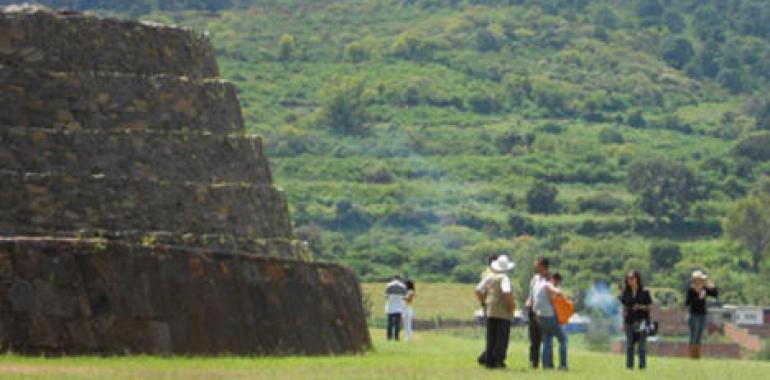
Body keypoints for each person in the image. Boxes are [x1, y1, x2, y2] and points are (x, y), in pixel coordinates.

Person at [475, 255, 516, 369]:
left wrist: (484, 302)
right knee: (502, 338)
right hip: (503, 312)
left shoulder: (489, 277)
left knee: (491, 337)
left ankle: (489, 361)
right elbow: (507, 293)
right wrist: (511, 306)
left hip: (490, 310)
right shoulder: (504, 278)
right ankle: (498, 361)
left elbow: (478, 290)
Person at [533, 268, 567, 370]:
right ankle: (563, 365)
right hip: (550, 316)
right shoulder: (547, 285)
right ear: (552, 279)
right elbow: (558, 292)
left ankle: (546, 365)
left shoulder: (538, 285)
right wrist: (563, 299)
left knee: (547, 340)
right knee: (563, 340)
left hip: (541, 316)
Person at [619, 270, 652, 370]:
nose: (630, 280)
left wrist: (640, 307)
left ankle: (642, 366)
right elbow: (624, 308)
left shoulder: (645, 292)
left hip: (641, 320)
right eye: (628, 278)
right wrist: (623, 322)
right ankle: (629, 366)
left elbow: (649, 307)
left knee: (641, 346)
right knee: (629, 345)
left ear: (637, 279)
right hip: (629, 321)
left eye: (632, 278)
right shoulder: (625, 292)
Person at [685, 270, 718, 359]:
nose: (702, 281)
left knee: (699, 335)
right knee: (693, 335)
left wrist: (714, 287)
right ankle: (692, 355)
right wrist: (699, 298)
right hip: (693, 315)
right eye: (700, 279)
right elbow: (687, 303)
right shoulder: (691, 290)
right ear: (696, 280)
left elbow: (714, 295)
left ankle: (697, 356)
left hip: (702, 315)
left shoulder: (704, 289)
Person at [525, 257, 549, 368]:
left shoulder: (550, 279)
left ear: (543, 266)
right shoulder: (534, 279)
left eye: (537, 265)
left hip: (546, 314)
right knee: (534, 340)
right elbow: (531, 294)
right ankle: (533, 362)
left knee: (546, 340)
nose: (535, 266)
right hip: (533, 313)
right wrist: (529, 300)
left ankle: (547, 363)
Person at [384, 275, 407, 341]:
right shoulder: (403, 286)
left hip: (390, 307)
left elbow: (386, 296)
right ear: (399, 279)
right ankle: (396, 337)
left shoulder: (388, 285)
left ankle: (389, 337)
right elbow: (405, 297)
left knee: (389, 323)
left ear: (393, 278)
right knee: (397, 323)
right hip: (399, 307)